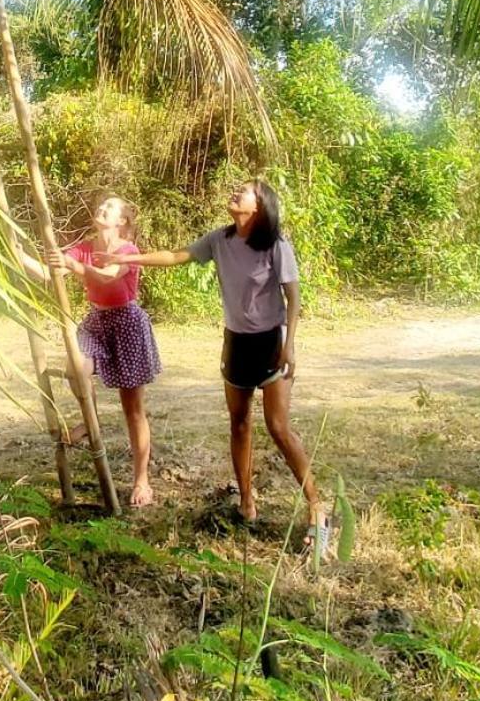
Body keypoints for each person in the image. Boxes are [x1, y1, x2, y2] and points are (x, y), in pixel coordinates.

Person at [106, 180, 326, 549]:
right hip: (236, 343)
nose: (234, 192)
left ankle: (317, 506)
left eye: (244, 191)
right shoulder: (219, 240)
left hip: (271, 342)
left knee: (277, 426)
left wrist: (290, 346)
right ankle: (246, 503)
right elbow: (177, 256)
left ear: (259, 206)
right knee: (239, 424)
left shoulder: (276, 244)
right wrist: (127, 259)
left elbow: (293, 296)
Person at [24, 197, 161, 508]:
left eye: (110, 207)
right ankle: (90, 422)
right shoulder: (85, 246)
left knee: (133, 409)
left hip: (127, 322)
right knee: (76, 369)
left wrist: (74, 265)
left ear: (123, 221)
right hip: (97, 321)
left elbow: (108, 275)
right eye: (101, 204)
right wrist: (18, 255)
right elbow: (48, 273)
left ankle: (142, 480)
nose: (102, 207)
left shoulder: (129, 251)